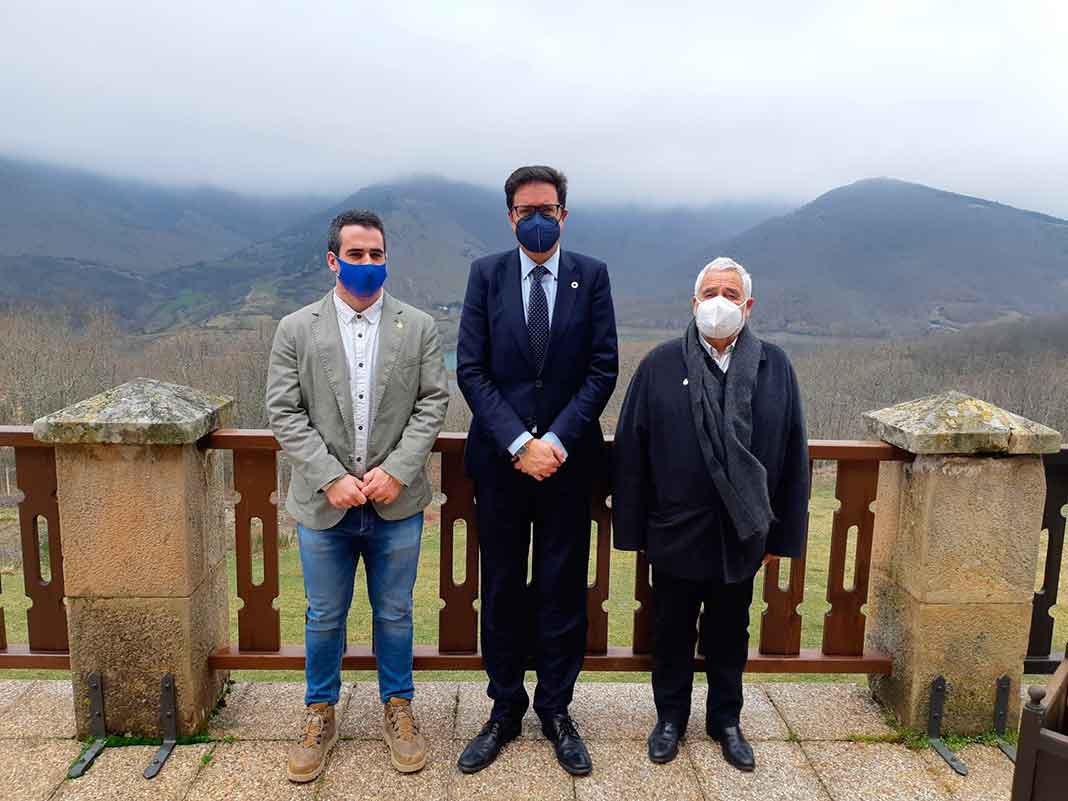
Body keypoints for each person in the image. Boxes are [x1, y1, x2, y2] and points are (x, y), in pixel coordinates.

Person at [266, 209, 449, 781]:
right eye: (356, 254)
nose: (367, 263)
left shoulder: (419, 327)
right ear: (333, 260)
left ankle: (399, 708)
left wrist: (397, 470)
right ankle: (319, 712)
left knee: (395, 612)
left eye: (376, 254)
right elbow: (283, 411)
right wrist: (329, 476)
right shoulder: (296, 328)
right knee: (323, 615)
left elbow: (433, 403)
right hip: (324, 505)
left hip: (397, 502)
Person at [612, 257, 809, 772]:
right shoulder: (659, 365)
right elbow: (632, 449)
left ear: (748, 305)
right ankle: (669, 720)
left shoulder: (775, 367)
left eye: (731, 293)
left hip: (742, 532)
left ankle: (726, 721)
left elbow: (793, 454)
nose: (719, 302)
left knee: (730, 633)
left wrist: (780, 537)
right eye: (710, 292)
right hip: (675, 529)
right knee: (671, 631)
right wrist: (634, 531)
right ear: (694, 302)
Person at [455, 165, 619, 776]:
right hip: (501, 465)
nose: (537, 219)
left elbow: (602, 368)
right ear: (510, 217)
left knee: (561, 588)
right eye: (526, 210)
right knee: (500, 588)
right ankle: (503, 710)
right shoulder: (486, 275)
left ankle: (556, 710)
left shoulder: (591, 276)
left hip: (568, 466)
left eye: (547, 209)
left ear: (564, 214)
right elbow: (471, 369)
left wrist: (554, 440)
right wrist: (520, 442)